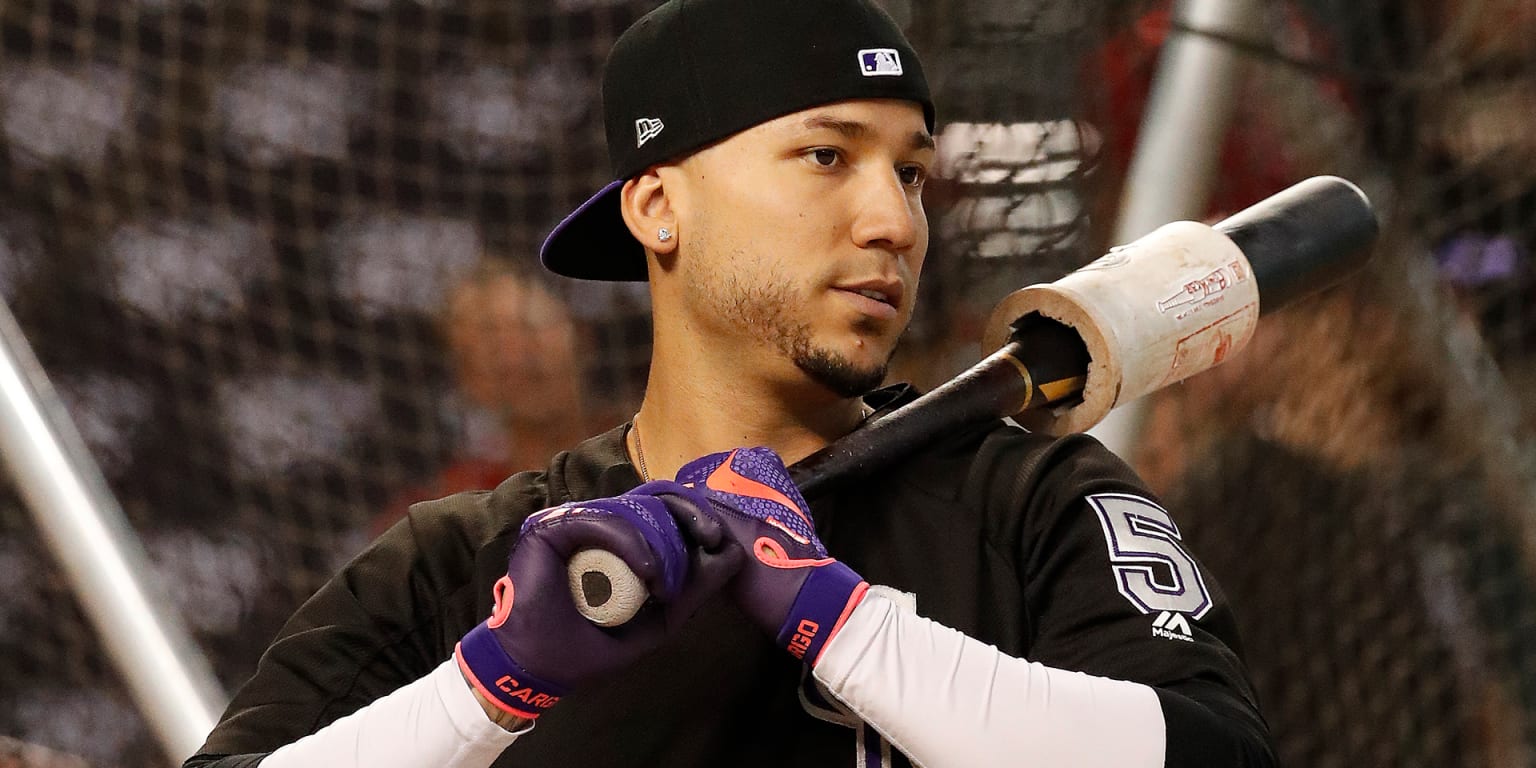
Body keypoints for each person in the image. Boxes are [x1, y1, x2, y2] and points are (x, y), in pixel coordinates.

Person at [185, 1, 1275, 765]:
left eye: (910, 171)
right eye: (826, 156)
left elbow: (1215, 756)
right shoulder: (460, 566)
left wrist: (838, 619)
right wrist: (487, 689)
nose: (894, 221)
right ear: (660, 206)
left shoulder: (1036, 504)